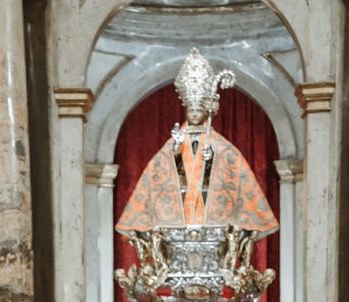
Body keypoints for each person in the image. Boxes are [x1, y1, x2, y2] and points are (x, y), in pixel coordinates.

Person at [115, 48, 279, 239]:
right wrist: (176, 151)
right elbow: (160, 172)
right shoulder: (175, 140)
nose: (194, 113)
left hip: (212, 218)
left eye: (198, 109)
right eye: (190, 109)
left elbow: (232, 170)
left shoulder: (220, 145)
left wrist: (212, 159)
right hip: (180, 215)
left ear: (205, 111)